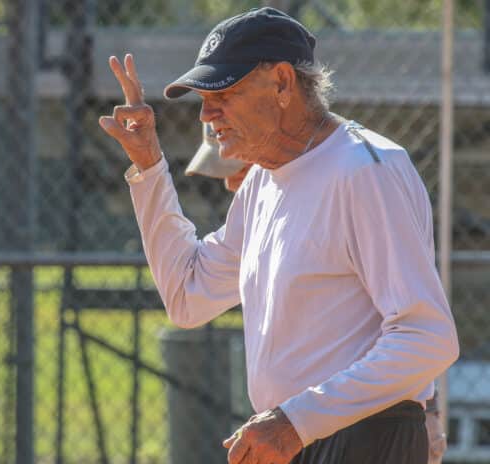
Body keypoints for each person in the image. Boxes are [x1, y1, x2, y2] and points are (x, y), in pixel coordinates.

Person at [99, 7, 459, 464]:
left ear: (284, 83)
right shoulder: (262, 181)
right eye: (203, 98)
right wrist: (149, 166)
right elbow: (188, 296)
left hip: (361, 437)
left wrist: (296, 421)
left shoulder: (367, 169)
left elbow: (426, 336)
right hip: (298, 435)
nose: (207, 114)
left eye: (224, 92)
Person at [187, 122, 452, 464]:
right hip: (307, 428)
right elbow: (188, 294)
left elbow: (409, 330)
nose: (228, 181)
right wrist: (146, 171)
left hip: (370, 431)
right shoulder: (262, 206)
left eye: (235, 164)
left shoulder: (355, 178)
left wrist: (429, 411)